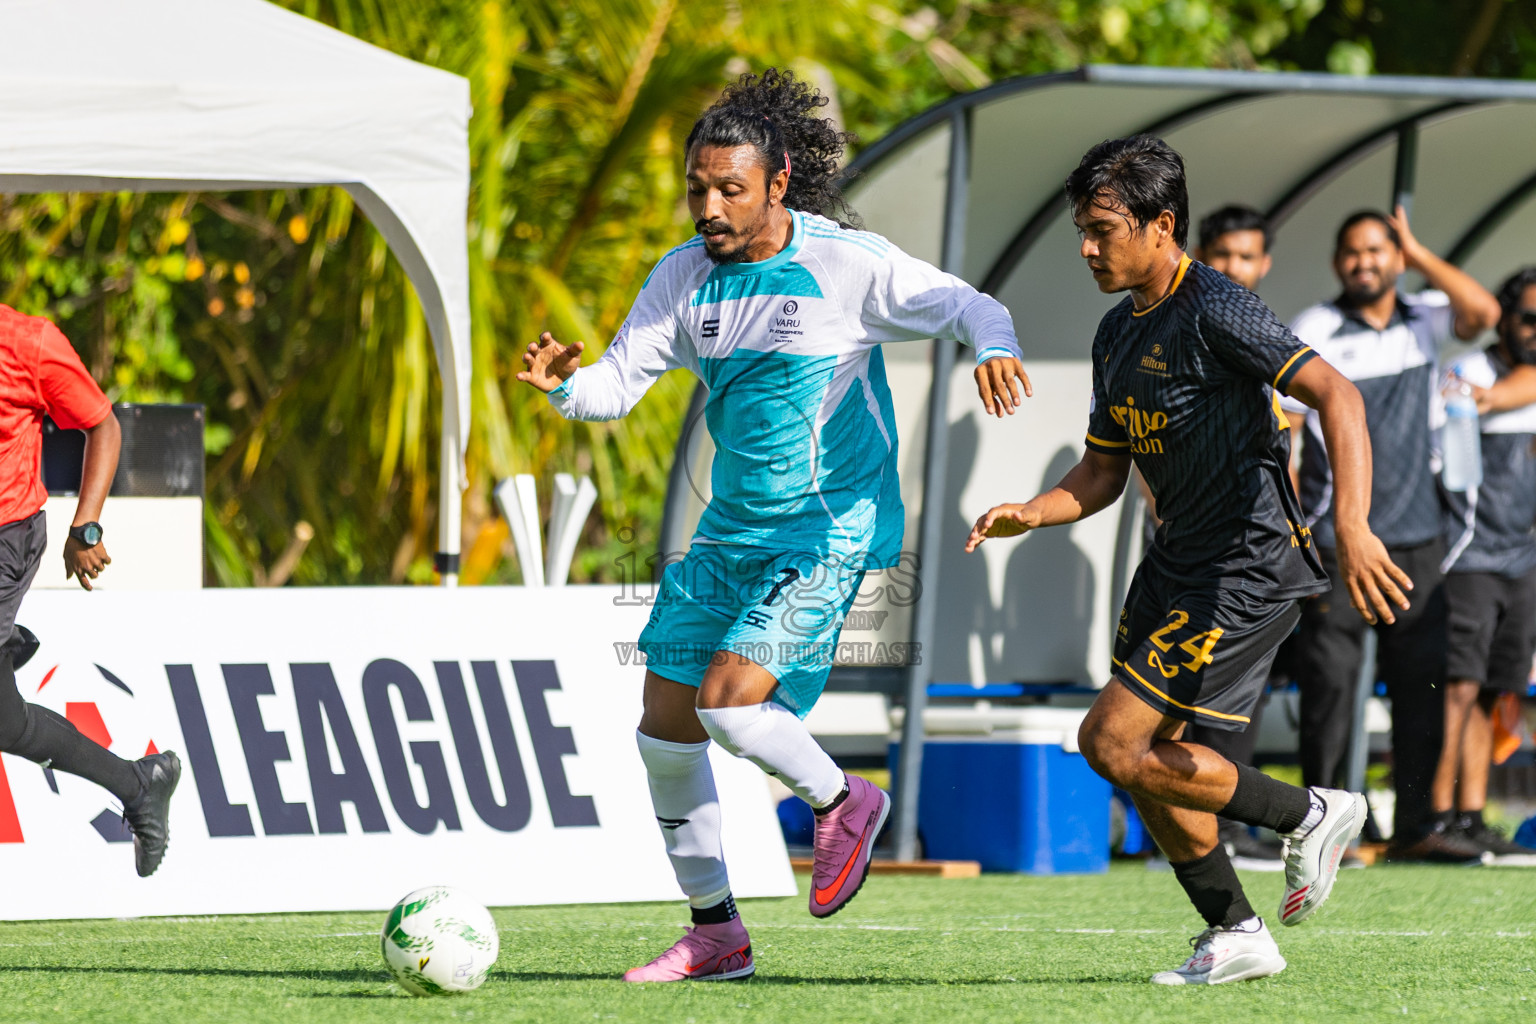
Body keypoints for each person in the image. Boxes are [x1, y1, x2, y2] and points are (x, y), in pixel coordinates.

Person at [517, 68, 1029, 983]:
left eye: (730, 190)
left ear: (779, 183)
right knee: (664, 726)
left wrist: (993, 346)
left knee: (728, 703)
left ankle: (846, 800)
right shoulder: (682, 276)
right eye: (698, 189)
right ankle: (714, 932)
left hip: (830, 529)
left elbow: (969, 304)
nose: (709, 207)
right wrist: (564, 382)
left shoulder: (845, 264)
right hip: (731, 532)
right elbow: (614, 388)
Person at [968, 134, 1400, 985]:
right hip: (1175, 566)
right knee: (1148, 760)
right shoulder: (1113, 335)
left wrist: (1353, 523)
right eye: (1080, 231)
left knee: (1110, 741)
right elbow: (1100, 472)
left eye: (1103, 229)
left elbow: (1337, 395)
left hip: (1246, 567)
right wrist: (1034, 511)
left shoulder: (1215, 306)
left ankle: (1311, 810)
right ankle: (1235, 930)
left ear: (1162, 225)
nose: (1087, 248)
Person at [1287, 209, 1502, 863]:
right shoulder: (1314, 329)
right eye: (1352, 253)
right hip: (1337, 540)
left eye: (1378, 250)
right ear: (1336, 263)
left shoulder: (1424, 319)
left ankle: (1416, 827)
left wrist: (1419, 249)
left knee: (1423, 687)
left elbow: (1484, 313)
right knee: (1332, 689)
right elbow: (1290, 430)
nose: (1365, 263)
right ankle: (1326, 828)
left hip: (1417, 540)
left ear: (1396, 257)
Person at [0, 303, 179, 876]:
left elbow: (102, 424)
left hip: (7, 534)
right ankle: (138, 783)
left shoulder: (29, 343)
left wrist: (86, 527)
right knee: (4, 723)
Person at [1184, 204, 1289, 871]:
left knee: (1237, 697)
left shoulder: (1266, 333)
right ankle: (1207, 825)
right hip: (1187, 541)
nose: (1232, 268)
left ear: (1264, 264)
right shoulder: (1174, 322)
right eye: (1221, 254)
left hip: (1252, 550)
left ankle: (1241, 824)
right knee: (1178, 700)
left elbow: (1307, 420)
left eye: (1245, 257)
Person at [1429, 266, 1536, 864]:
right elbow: (1446, 460)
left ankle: (1473, 816)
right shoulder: (1467, 368)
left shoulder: (1518, 380)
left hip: (1523, 562)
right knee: (1458, 690)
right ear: (1503, 315)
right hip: (1467, 559)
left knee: (1495, 694)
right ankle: (1438, 816)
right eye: (1528, 317)